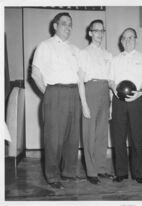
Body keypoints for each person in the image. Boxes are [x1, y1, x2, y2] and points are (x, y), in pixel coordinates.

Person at [32, 12, 90, 190]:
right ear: (55, 26)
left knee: (72, 138)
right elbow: (36, 74)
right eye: (64, 24)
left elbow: (81, 77)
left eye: (70, 24)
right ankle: (52, 176)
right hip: (55, 94)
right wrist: (49, 94)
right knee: (54, 139)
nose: (68, 27)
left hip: (74, 94)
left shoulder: (75, 49)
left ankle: (69, 173)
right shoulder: (45, 46)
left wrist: (82, 101)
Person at [109, 28, 142, 183]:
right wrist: (114, 90)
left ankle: (138, 174)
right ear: (121, 41)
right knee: (118, 138)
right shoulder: (115, 59)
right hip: (118, 101)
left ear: (136, 39)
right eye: (124, 38)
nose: (127, 40)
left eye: (131, 37)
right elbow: (110, 80)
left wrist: (139, 93)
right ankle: (121, 173)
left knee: (136, 138)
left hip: (137, 100)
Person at [78, 19, 114, 185]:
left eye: (102, 31)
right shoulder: (83, 53)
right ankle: (91, 172)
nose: (99, 34)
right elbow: (80, 80)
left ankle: (101, 168)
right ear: (90, 33)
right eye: (96, 31)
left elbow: (110, 81)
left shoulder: (108, 54)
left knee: (101, 134)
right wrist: (84, 103)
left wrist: (111, 102)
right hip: (90, 91)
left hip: (104, 92)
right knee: (89, 134)